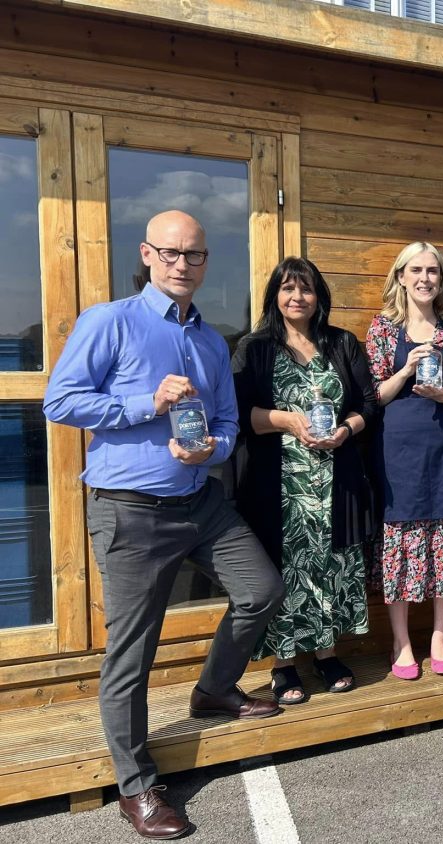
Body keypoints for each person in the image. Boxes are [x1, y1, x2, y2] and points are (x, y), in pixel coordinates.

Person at [42, 210, 283, 840]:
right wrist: (145, 404)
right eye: (171, 253)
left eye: (195, 255)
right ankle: (138, 785)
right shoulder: (110, 321)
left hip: (199, 501)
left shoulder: (210, 340)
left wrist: (214, 451)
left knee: (261, 590)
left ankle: (212, 690)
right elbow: (60, 400)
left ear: (206, 262)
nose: (183, 264)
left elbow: (228, 423)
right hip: (130, 511)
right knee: (133, 651)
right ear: (148, 255)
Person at [232, 257, 378, 704]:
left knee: (331, 568)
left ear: (319, 297)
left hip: (337, 482)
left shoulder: (341, 343)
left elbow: (369, 403)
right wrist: (285, 420)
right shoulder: (254, 348)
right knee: (285, 570)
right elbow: (238, 416)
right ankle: (284, 663)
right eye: (288, 288)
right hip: (279, 487)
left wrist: (346, 429)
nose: (297, 297)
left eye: (307, 289)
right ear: (275, 295)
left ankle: (327, 654)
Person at [366, 243, 443, 680]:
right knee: (400, 540)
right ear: (400, 276)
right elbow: (371, 397)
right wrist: (405, 370)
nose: (424, 278)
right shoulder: (383, 328)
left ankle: (440, 635)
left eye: (432, 271)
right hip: (398, 453)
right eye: (415, 270)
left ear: (442, 278)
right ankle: (401, 641)